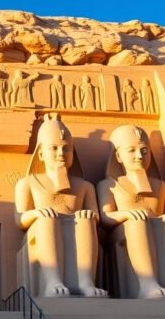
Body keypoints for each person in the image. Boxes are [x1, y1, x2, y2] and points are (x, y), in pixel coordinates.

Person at [98, 125, 165, 299]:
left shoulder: (164, 187)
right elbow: (106, 217)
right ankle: (147, 283)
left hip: (157, 228)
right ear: (118, 156)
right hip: (125, 232)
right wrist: (126, 214)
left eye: (144, 151)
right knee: (137, 222)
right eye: (132, 151)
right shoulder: (109, 185)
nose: (139, 156)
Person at [14, 114, 106, 298]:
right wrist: (38, 213)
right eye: (54, 148)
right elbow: (20, 219)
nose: (61, 154)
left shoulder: (85, 186)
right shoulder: (27, 183)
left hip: (75, 226)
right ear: (41, 153)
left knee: (84, 220)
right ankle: (53, 281)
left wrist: (88, 215)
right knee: (48, 219)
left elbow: (96, 216)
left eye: (66, 149)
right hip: (42, 229)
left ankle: (86, 281)